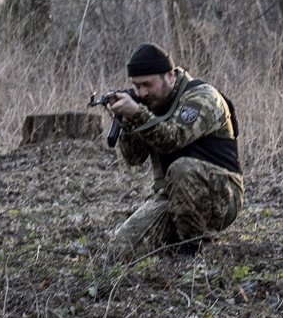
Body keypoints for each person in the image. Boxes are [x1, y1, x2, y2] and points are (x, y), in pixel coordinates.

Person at [103, 43, 244, 258]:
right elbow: (134, 158)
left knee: (181, 168)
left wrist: (138, 113)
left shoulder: (202, 97)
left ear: (170, 76)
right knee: (121, 251)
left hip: (222, 195)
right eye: (136, 86)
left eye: (147, 84)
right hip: (172, 197)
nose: (142, 92)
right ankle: (176, 242)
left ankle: (194, 249)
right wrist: (127, 122)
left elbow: (173, 138)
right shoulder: (150, 103)